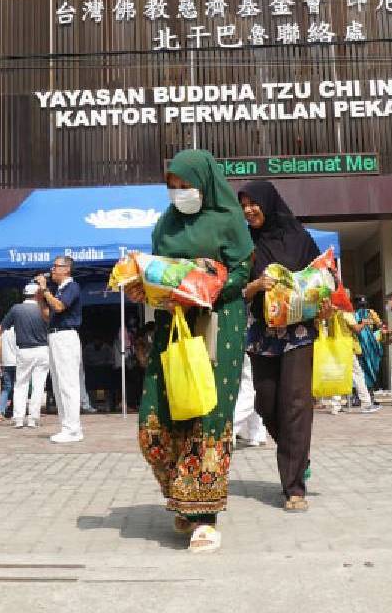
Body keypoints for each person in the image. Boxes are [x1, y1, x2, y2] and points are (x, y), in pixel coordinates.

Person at [127, 150, 253, 553]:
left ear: (205, 183)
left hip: (218, 324)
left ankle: (204, 515)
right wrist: (142, 286)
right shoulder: (165, 222)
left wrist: (207, 285)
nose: (179, 193)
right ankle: (181, 494)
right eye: (173, 185)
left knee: (207, 412)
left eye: (186, 185)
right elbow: (158, 271)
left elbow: (241, 271)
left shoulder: (228, 218)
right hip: (172, 323)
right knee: (155, 421)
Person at [237, 179, 318, 511]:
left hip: (298, 332)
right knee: (266, 403)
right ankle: (296, 451)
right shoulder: (245, 242)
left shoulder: (300, 239)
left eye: (253, 203)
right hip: (261, 335)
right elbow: (235, 288)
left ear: (268, 203)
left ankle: (294, 487)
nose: (248, 210)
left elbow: (325, 278)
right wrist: (256, 285)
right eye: (243, 205)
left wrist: (324, 300)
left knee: (296, 404)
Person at [36, 256, 85, 443]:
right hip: (55, 335)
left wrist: (46, 290)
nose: (52, 270)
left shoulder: (72, 287)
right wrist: (41, 299)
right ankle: (66, 426)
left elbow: (59, 306)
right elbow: (49, 315)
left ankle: (73, 428)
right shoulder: (58, 289)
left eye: (56, 266)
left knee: (68, 383)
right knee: (57, 384)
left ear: (67, 269)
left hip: (66, 336)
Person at [0, 283, 50, 428]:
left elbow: (2, 327)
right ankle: (33, 418)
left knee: (20, 384)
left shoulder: (16, 309)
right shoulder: (43, 309)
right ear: (38, 294)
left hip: (24, 350)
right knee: (38, 385)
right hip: (43, 350)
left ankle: (18, 418)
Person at [352, 296, 384, 407]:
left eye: (363, 304)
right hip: (362, 347)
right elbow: (380, 326)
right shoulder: (355, 314)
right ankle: (362, 396)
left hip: (368, 347)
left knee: (366, 371)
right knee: (363, 372)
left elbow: (380, 326)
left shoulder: (369, 313)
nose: (362, 306)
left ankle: (367, 396)